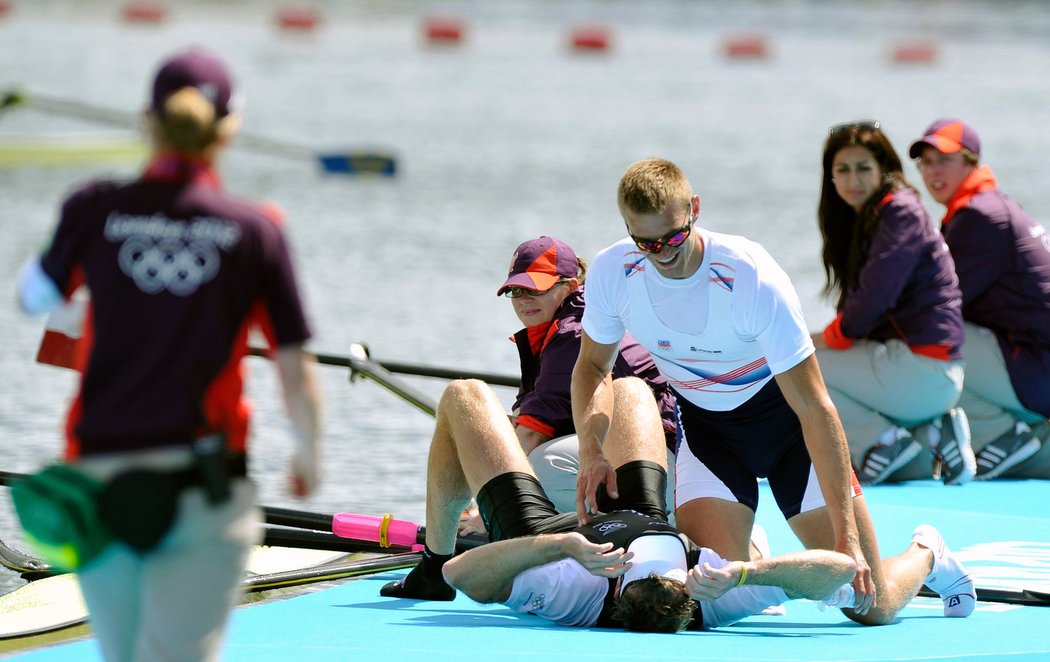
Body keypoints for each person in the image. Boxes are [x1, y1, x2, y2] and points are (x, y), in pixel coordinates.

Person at [570, 157, 971, 626]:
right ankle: (751, 541)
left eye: (674, 237)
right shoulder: (613, 270)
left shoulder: (749, 276)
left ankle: (927, 551)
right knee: (704, 602)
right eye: (647, 243)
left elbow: (816, 408)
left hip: (790, 435)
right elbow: (592, 367)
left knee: (868, 604)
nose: (661, 253)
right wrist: (591, 450)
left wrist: (848, 544)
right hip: (710, 437)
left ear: (695, 209)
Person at [16, 49, 322, 661]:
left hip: (99, 484)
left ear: (146, 120)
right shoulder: (255, 228)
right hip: (202, 491)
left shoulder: (93, 206)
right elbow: (294, 365)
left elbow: (32, 296)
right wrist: (307, 452)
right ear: (228, 128)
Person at [374, 363, 975, 632]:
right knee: (634, 388)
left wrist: (555, 544)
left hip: (545, 539)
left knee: (466, 398)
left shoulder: (567, 590)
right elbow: (844, 570)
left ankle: (421, 554)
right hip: (642, 511)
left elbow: (466, 576)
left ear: (617, 583)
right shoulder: (710, 593)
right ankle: (931, 549)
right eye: (680, 560)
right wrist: (746, 572)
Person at [467, 236, 678, 521]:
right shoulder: (565, 322)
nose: (524, 299)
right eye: (516, 290)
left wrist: (487, 510)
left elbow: (532, 432)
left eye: (536, 289)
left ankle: (498, 520)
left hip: (662, 468)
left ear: (570, 286)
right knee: (486, 431)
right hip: (641, 456)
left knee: (542, 463)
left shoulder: (573, 333)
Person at [813, 121, 972, 486]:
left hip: (926, 369)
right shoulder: (874, 215)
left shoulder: (899, 212)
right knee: (813, 358)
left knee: (801, 366)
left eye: (864, 167)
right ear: (831, 177)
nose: (853, 179)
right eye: (843, 169)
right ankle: (931, 437)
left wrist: (827, 336)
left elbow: (872, 300)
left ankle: (879, 441)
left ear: (884, 168)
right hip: (921, 369)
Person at [910, 118, 1050, 480]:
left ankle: (999, 436)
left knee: (931, 338)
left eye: (944, 159)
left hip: (1041, 371)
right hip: (1037, 363)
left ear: (971, 161)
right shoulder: (990, 204)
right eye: (925, 161)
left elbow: (935, 308)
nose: (932, 170)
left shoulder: (978, 216)